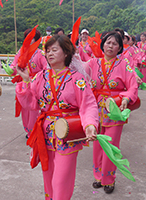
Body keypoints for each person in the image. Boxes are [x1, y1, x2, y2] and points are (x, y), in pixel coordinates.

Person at [15, 35, 99, 200]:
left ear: (66, 53)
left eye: (54, 50)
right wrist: (26, 81)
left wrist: (89, 124)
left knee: (61, 180)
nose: (49, 54)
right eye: (47, 51)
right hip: (45, 133)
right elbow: (32, 103)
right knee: (48, 174)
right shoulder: (41, 77)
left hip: (67, 133)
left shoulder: (77, 79)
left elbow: (88, 104)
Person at [85, 31, 138, 194]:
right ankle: (98, 176)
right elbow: (80, 80)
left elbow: (133, 86)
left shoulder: (124, 65)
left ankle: (109, 179)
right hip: (96, 110)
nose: (111, 46)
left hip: (114, 111)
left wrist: (126, 98)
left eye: (115, 43)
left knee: (111, 145)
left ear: (120, 48)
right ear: (102, 45)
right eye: (108, 42)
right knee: (97, 144)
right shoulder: (92, 63)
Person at [6, 28, 47, 138]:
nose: (29, 40)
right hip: (24, 85)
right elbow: (15, 65)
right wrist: (10, 69)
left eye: (32, 38)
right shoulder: (21, 52)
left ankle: (34, 131)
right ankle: (28, 130)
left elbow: (46, 70)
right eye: (27, 37)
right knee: (25, 108)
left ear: (37, 40)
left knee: (34, 109)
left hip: (36, 85)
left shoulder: (41, 54)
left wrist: (36, 78)